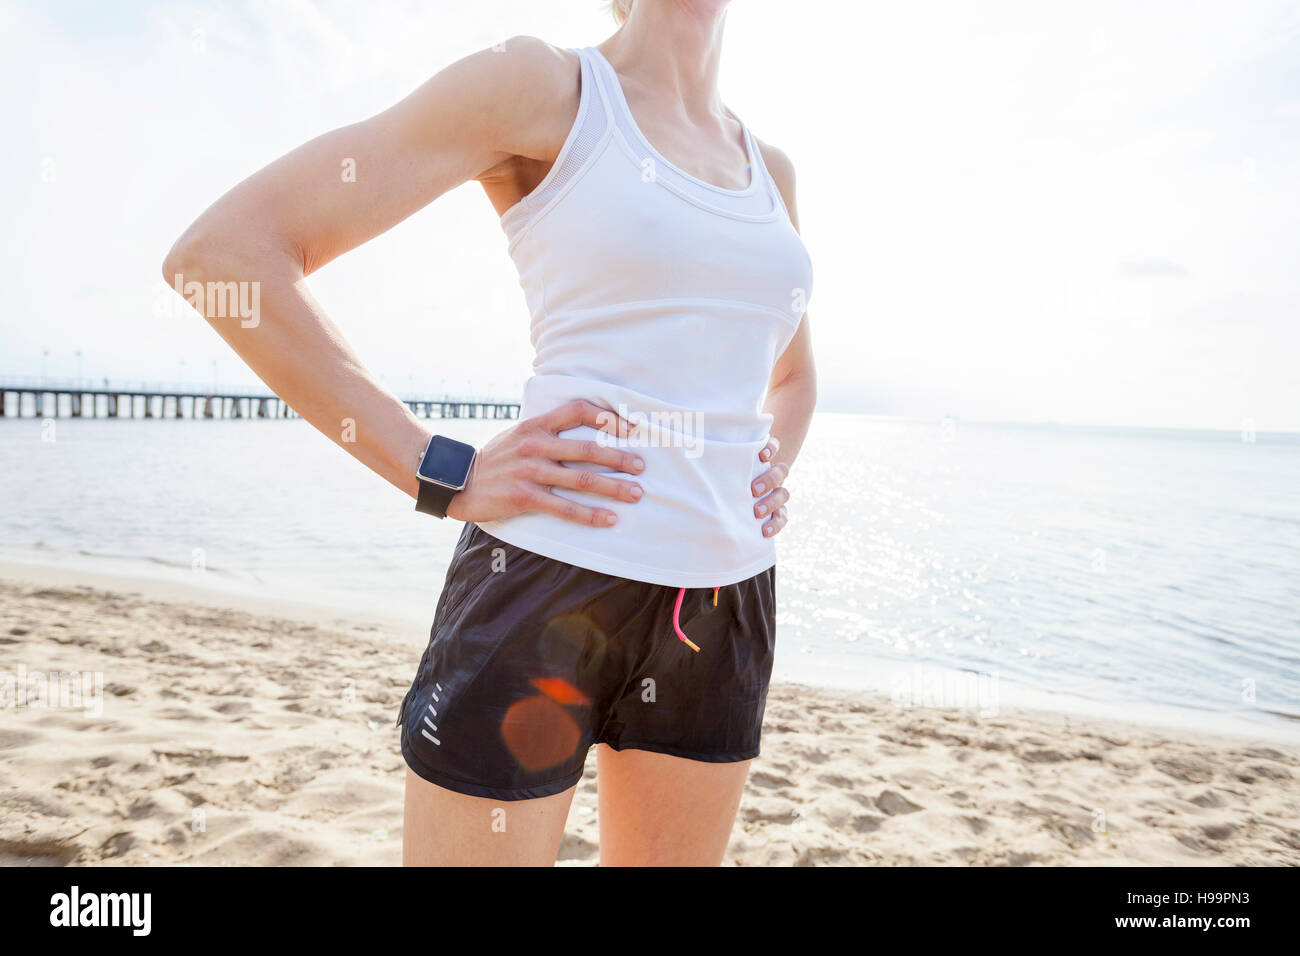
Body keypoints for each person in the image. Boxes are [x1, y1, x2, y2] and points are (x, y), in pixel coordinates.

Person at [162, 0, 816, 866]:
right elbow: (223, 255)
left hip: (724, 604)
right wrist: (438, 469)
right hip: (542, 580)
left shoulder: (770, 170)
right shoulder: (544, 87)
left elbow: (794, 376)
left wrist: (773, 465)